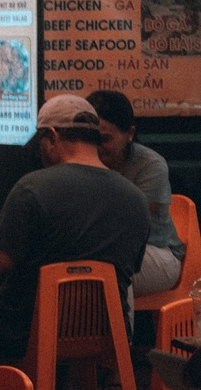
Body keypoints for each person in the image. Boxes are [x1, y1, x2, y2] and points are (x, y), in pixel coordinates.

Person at [0, 95, 150, 379]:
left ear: (53, 137)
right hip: (108, 332)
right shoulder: (136, 199)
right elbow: (131, 266)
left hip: (25, 331)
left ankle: (0, 381)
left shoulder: (32, 188)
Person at [87, 89, 185, 296]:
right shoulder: (81, 158)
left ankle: (119, 330)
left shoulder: (151, 165)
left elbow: (130, 223)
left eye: (104, 138)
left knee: (111, 269)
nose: (97, 146)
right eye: (90, 138)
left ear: (130, 134)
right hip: (104, 250)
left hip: (159, 252)